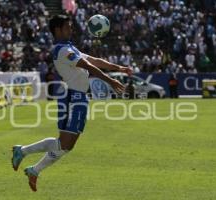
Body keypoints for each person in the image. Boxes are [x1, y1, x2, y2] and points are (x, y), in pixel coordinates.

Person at [11, 15, 132, 192]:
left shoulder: (68, 48)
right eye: (68, 27)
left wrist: (118, 68)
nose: (71, 30)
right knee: (66, 145)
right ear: (58, 30)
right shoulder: (62, 50)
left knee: (65, 144)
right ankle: (28, 160)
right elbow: (88, 66)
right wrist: (110, 81)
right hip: (74, 98)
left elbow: (94, 61)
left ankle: (29, 162)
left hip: (76, 97)